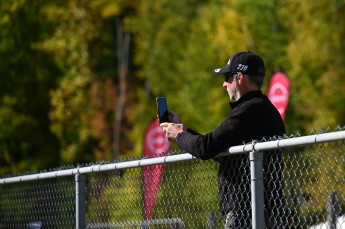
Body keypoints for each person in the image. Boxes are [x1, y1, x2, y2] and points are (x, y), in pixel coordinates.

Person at [160, 51, 286, 228]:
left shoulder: (248, 110)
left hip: (247, 211)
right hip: (265, 207)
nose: (224, 84)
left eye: (227, 77)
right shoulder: (264, 109)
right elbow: (215, 146)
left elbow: (205, 148)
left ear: (240, 77)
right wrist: (184, 130)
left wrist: (179, 135)